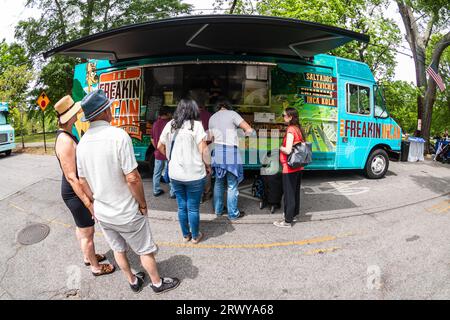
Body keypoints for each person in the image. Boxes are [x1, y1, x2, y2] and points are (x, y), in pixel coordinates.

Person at [77, 90, 180, 294]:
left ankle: (133, 280)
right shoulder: (118, 135)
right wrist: (142, 204)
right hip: (126, 210)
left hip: (103, 212)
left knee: (118, 248)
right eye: (109, 107)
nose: (111, 110)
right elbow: (132, 177)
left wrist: (94, 202)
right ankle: (157, 283)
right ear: (105, 111)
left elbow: (82, 180)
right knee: (145, 249)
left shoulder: (82, 143)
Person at [54, 95, 115, 277]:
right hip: (74, 193)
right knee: (87, 232)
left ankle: (89, 257)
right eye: (74, 112)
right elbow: (72, 178)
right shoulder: (64, 140)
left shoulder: (67, 133)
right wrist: (89, 203)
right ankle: (96, 267)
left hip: (74, 192)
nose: (78, 114)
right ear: (69, 117)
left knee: (81, 228)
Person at [158, 98, 211, 244]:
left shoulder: (171, 124)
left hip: (175, 174)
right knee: (193, 208)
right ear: (193, 109)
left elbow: (159, 146)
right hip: (194, 174)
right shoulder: (196, 126)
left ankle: (185, 235)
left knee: (182, 206)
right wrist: (208, 165)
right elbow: (204, 150)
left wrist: (170, 158)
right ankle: (195, 236)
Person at [208, 97, 254, 220]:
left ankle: (218, 210)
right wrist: (243, 136)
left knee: (218, 182)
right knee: (232, 184)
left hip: (217, 151)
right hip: (230, 152)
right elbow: (249, 129)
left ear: (218, 108)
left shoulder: (212, 117)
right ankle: (233, 214)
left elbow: (211, 138)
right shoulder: (233, 114)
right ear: (228, 107)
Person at [274, 107, 306, 228]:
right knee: (295, 192)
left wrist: (279, 147)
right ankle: (293, 214)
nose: (283, 117)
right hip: (297, 167)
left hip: (289, 167)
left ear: (290, 117)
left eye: (284, 115)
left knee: (289, 194)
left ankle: (287, 221)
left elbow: (287, 150)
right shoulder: (298, 129)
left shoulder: (291, 130)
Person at [189, 89, 213, 203]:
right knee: (207, 170)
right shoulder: (209, 115)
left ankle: (197, 196)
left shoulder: (191, 116)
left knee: (196, 171)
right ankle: (207, 193)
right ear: (204, 104)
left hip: (193, 147)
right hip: (206, 146)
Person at [151, 106, 175, 198]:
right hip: (168, 153)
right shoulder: (170, 124)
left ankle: (156, 190)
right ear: (167, 113)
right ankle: (173, 192)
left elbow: (152, 139)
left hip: (158, 153)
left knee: (156, 172)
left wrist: (157, 148)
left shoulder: (155, 124)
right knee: (171, 172)